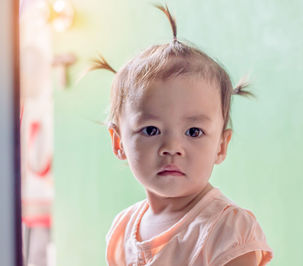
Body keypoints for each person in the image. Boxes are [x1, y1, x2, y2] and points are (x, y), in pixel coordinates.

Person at [91, 5, 273, 265]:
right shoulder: (122, 229)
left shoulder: (228, 231)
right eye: (151, 130)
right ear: (119, 142)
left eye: (194, 131)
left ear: (221, 145)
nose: (172, 147)